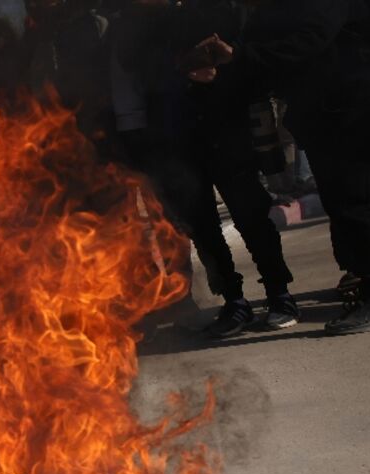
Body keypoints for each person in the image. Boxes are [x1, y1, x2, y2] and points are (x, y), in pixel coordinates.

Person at [186, 1, 370, 334]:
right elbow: (263, 42)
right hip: (323, 113)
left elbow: (311, 38)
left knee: (354, 202)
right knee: (344, 203)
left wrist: (239, 56)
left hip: (350, 109)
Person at [113, 1, 297, 339]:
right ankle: (233, 300)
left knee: (251, 215)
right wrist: (180, 66)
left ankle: (279, 295)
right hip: (177, 135)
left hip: (227, 128)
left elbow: (257, 57)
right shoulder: (147, 17)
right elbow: (133, 63)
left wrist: (227, 61)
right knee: (203, 227)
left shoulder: (225, 7)